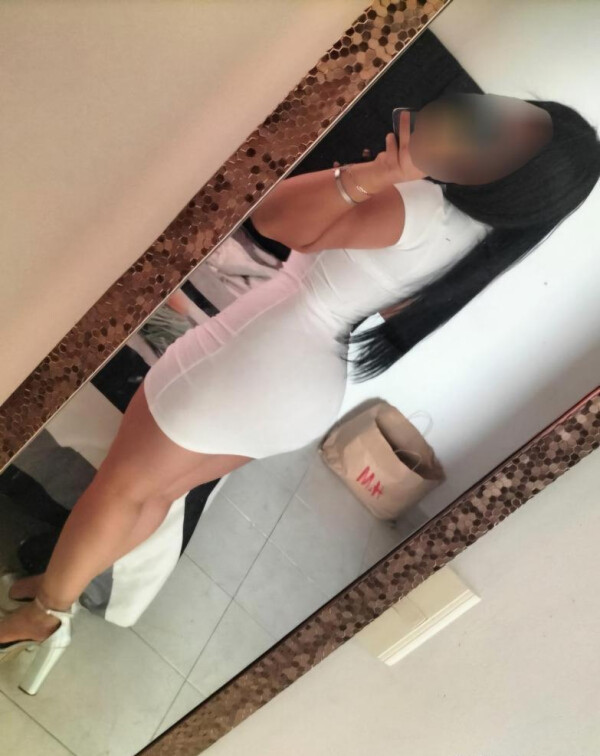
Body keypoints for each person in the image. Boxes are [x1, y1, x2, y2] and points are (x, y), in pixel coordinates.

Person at [1, 94, 599, 693]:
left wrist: (376, 173)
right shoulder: (477, 247)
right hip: (306, 388)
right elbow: (387, 301)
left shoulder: (419, 202)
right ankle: (54, 591)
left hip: (254, 358)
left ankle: (42, 617)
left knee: (123, 487)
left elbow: (275, 220)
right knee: (158, 493)